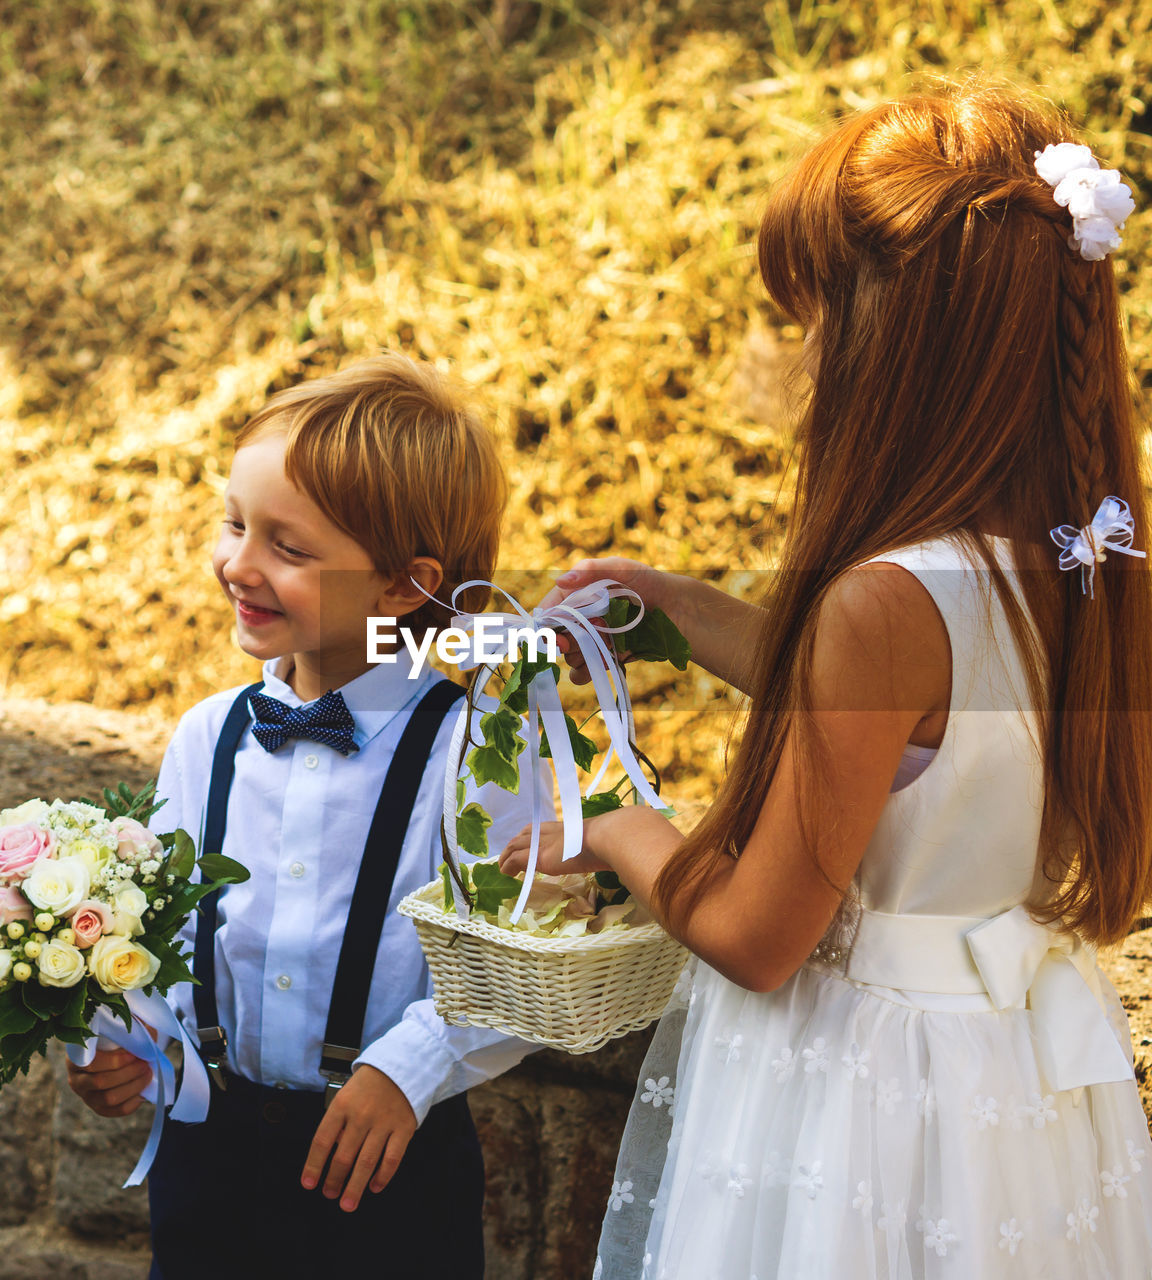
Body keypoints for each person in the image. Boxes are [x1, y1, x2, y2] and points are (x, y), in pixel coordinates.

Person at [502, 85, 1152, 1278]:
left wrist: (621, 829)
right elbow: (924, 740)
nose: (803, 356)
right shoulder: (1084, 556)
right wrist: (688, 611)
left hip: (866, 1098)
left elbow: (756, 935)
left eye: (815, 317)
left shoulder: (881, 601)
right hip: (1014, 1094)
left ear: (892, 344)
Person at [68, 352, 538, 1279]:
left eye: (288, 548)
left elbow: (514, 959)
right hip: (209, 1160)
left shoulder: (473, 752)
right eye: (235, 524)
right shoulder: (209, 736)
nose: (237, 564)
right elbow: (161, 931)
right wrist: (132, 1039)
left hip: (384, 1166)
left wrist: (409, 1070)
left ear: (404, 586)